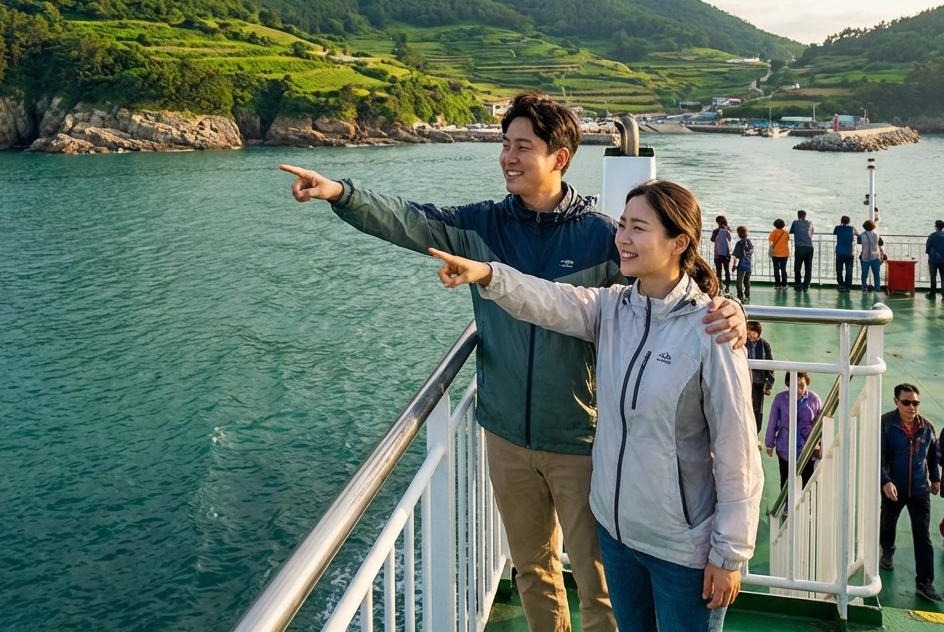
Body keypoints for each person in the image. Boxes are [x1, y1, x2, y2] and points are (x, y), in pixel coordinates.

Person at [279, 93, 747, 632]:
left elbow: (668, 293)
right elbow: (408, 221)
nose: (508, 157)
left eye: (523, 146)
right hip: (505, 434)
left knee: (600, 585)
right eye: (505, 145)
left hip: (582, 438)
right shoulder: (483, 227)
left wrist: (729, 308)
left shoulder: (604, 237)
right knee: (533, 570)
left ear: (560, 157)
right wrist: (341, 192)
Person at [428, 179, 762, 632]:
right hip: (618, 536)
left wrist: (728, 553)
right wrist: (488, 274)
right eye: (622, 225)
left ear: (679, 242)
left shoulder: (711, 331)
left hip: (682, 549)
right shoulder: (612, 309)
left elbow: (737, 450)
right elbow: (547, 299)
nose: (622, 238)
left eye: (638, 228)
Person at [880, 383, 942, 602]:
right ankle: (887, 550)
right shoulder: (886, 424)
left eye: (915, 402)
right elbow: (878, 456)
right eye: (906, 402)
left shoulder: (927, 427)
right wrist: (885, 481)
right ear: (896, 401)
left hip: (919, 489)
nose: (911, 406)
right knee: (888, 523)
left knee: (923, 537)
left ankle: (924, 583)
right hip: (893, 489)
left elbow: (933, 454)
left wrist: (935, 478)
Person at [765, 372, 822, 489]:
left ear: (806, 382)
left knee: (807, 483)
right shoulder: (780, 399)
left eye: (801, 385)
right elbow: (773, 421)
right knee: (786, 482)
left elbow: (820, 423)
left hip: (807, 449)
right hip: (786, 449)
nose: (798, 389)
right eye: (794, 385)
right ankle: (787, 506)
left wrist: (820, 445)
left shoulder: (814, 399)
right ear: (788, 384)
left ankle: (807, 506)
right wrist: (769, 444)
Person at [745, 321, 774, 436]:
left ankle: (755, 434)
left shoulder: (764, 345)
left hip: (758, 381)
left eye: (752, 332)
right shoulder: (743, 342)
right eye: (748, 331)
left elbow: (770, 364)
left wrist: (769, 383)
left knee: (757, 409)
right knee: (743, 406)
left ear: (758, 333)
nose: (749, 334)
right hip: (745, 379)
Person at [789, 210, 814, 292]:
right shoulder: (810, 222)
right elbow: (812, 231)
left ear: (798, 215)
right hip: (809, 247)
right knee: (808, 267)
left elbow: (791, 231)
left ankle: (798, 285)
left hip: (800, 247)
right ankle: (806, 286)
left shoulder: (795, 223)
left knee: (797, 267)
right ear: (805, 215)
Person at [833, 215, 858, 292]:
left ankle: (841, 284)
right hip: (849, 252)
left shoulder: (838, 228)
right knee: (849, 270)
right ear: (849, 221)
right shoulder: (852, 228)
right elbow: (857, 234)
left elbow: (834, 233)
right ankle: (848, 286)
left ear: (841, 221)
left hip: (840, 252)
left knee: (839, 270)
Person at [859, 219, 884, 293]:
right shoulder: (877, 234)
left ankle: (864, 286)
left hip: (865, 256)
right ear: (873, 226)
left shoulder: (862, 235)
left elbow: (859, 242)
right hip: (875, 256)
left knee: (864, 273)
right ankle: (877, 288)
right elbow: (881, 243)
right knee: (876, 274)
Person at [731, 225, 753, 303]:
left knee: (739, 282)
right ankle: (747, 295)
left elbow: (736, 256)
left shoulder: (739, 243)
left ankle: (740, 297)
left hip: (741, 265)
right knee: (747, 281)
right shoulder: (749, 242)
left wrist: (734, 266)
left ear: (739, 234)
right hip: (749, 265)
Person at [711, 215, 733, 292]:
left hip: (718, 253)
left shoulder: (716, 231)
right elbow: (730, 239)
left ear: (717, 222)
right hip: (726, 253)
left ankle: (719, 286)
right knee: (727, 270)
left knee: (718, 271)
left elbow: (712, 239)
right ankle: (727, 287)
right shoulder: (728, 230)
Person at [768, 218, 790, 291]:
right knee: (783, 269)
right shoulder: (786, 232)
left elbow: (770, 241)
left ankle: (777, 285)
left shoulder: (773, 232)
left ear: (775, 225)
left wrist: (771, 248)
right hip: (784, 253)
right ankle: (785, 285)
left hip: (775, 254)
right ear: (783, 225)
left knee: (776, 269)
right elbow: (787, 239)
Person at [925, 220, 944, 299]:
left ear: (936, 227)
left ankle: (932, 294)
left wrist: (928, 252)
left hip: (933, 259)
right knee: (943, 278)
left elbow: (928, 246)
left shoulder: (932, 235)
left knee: (933, 277)